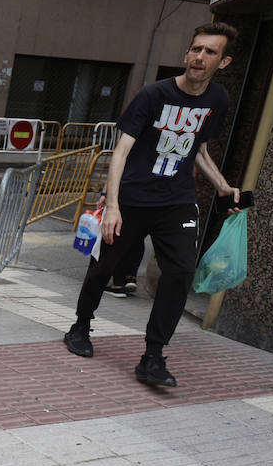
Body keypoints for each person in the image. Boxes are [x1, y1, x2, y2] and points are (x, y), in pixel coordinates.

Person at [63, 21, 242, 387]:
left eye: (210, 52)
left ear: (223, 62)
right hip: (131, 198)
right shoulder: (153, 95)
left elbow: (199, 150)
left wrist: (223, 187)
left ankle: (153, 356)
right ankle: (80, 326)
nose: (200, 57)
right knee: (103, 267)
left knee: (179, 273)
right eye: (196, 49)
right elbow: (121, 151)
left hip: (176, 201)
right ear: (187, 53)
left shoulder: (217, 101)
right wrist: (112, 205)